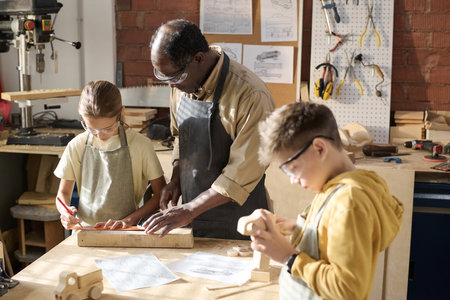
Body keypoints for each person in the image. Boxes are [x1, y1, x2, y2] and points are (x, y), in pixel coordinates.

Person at [250, 102, 404, 300]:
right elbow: (334, 231)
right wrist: (300, 227)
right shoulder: (342, 185)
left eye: (293, 168)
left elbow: (347, 290)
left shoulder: (349, 201)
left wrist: (288, 257)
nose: (292, 180)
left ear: (320, 149)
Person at [142, 19, 275, 239]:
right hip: (192, 221)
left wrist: (191, 209)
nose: (171, 85)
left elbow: (238, 176)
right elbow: (180, 138)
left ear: (199, 59)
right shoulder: (181, 83)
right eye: (163, 77)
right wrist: (176, 180)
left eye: (174, 77)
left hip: (240, 223)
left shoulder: (250, 96)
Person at [54, 80, 166, 229]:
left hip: (126, 229)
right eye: (91, 129)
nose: (99, 136)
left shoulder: (140, 145)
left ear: (121, 113)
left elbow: (161, 194)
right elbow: (63, 192)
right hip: (86, 230)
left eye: (108, 128)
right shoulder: (76, 146)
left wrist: (128, 221)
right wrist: (64, 212)